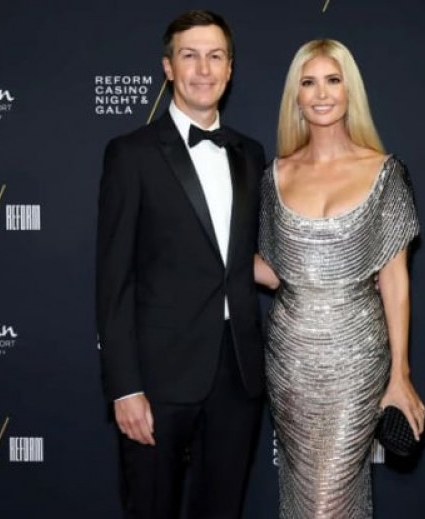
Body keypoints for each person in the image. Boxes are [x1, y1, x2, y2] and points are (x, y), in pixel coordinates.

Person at [96, 10, 266, 519]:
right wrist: (125, 387)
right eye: (190, 56)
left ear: (230, 68)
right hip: (158, 377)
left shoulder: (251, 154)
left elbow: (250, 257)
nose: (204, 69)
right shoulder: (131, 154)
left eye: (216, 56)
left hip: (238, 374)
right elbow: (113, 280)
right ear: (168, 67)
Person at [254, 39, 425, 518]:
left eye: (333, 80)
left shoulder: (384, 173)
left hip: (356, 360)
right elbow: (274, 271)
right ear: (296, 96)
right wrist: (200, 253)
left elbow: (395, 280)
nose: (322, 93)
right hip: (290, 362)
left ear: (351, 91)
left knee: (326, 503)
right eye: (308, 83)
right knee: (305, 496)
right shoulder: (274, 176)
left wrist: (400, 374)